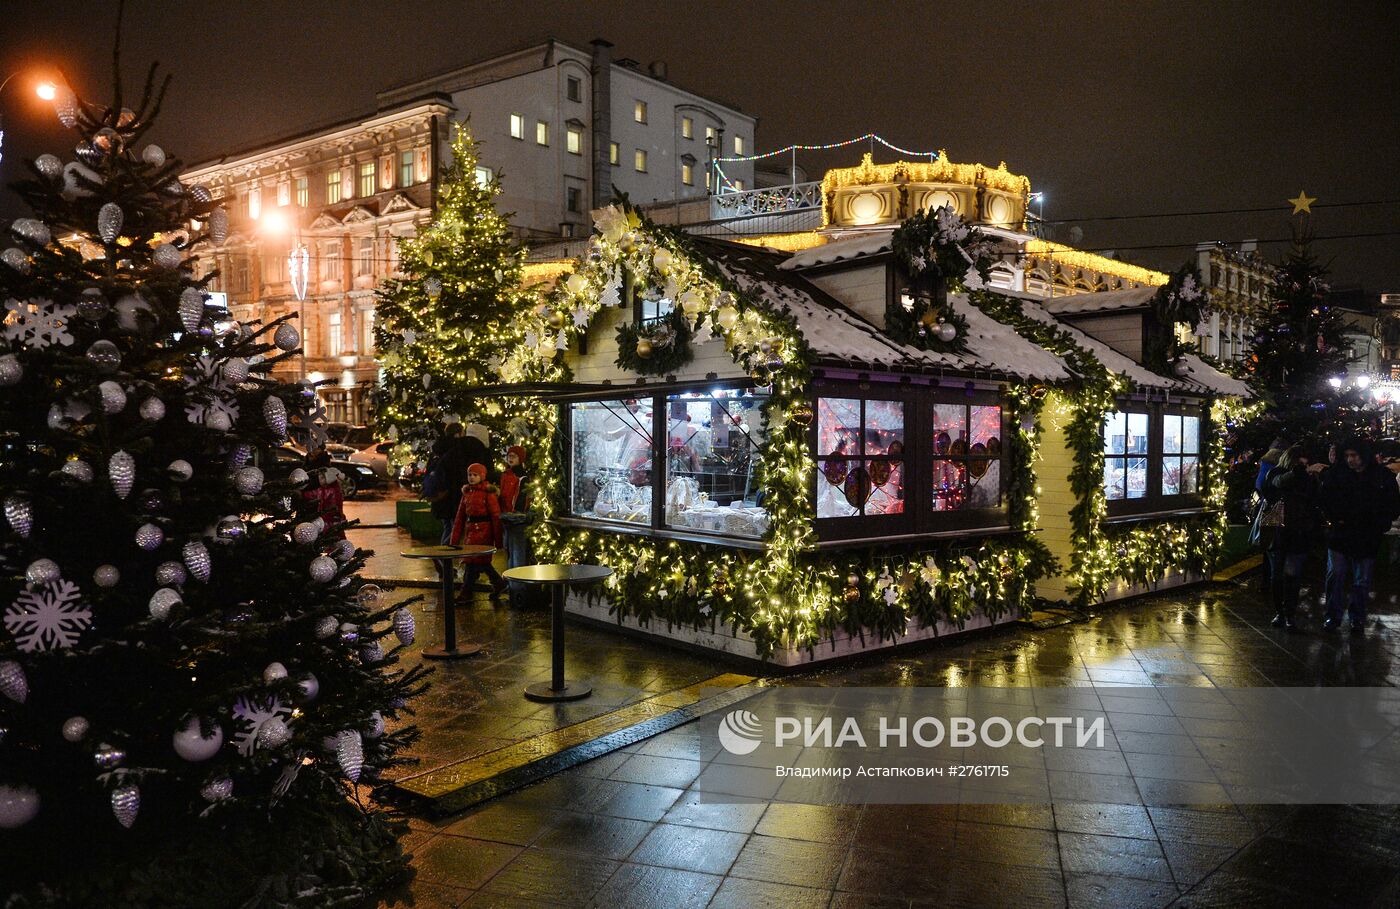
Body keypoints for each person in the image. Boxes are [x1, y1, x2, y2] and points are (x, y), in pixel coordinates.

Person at [1319, 436, 1400, 634]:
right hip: (1342, 533)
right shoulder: (1338, 475)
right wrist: (1336, 518)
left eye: (1354, 455)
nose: (1350, 460)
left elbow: (1392, 504)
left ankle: (1356, 617)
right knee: (1337, 575)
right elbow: (1325, 500)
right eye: (1347, 456)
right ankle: (1334, 615)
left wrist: (1381, 523)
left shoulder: (1381, 476)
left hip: (1366, 534)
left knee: (1361, 580)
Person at [1259, 446, 1320, 631]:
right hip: (1278, 531)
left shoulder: (1310, 480)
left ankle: (1289, 613)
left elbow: (1313, 499)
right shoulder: (1277, 473)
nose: (1304, 467)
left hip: (1298, 531)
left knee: (1292, 575)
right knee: (1277, 575)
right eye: (1300, 463)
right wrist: (1302, 472)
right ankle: (1280, 612)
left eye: (1306, 464)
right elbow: (1276, 484)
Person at [449, 462, 505, 600]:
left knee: (475, 561)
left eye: (475, 475)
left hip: (484, 532)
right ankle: (498, 583)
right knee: (477, 562)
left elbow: (495, 516)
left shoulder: (488, 493)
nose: (472, 477)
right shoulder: (467, 493)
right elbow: (460, 517)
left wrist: (498, 540)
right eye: (470, 475)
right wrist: (454, 539)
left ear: (482, 476)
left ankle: (466, 592)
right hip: (471, 532)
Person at [425, 423, 469, 544]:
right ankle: (443, 555)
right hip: (451, 496)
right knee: (455, 529)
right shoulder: (456, 448)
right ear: (457, 433)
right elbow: (457, 473)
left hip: (439, 496)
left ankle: (445, 559)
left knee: (448, 527)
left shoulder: (437, 448)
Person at [500, 445, 529, 513]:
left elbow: (522, 499)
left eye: (514, 456)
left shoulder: (523, 477)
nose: (511, 458)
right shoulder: (504, 474)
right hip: (502, 512)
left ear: (520, 459)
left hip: (514, 515)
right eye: (509, 456)